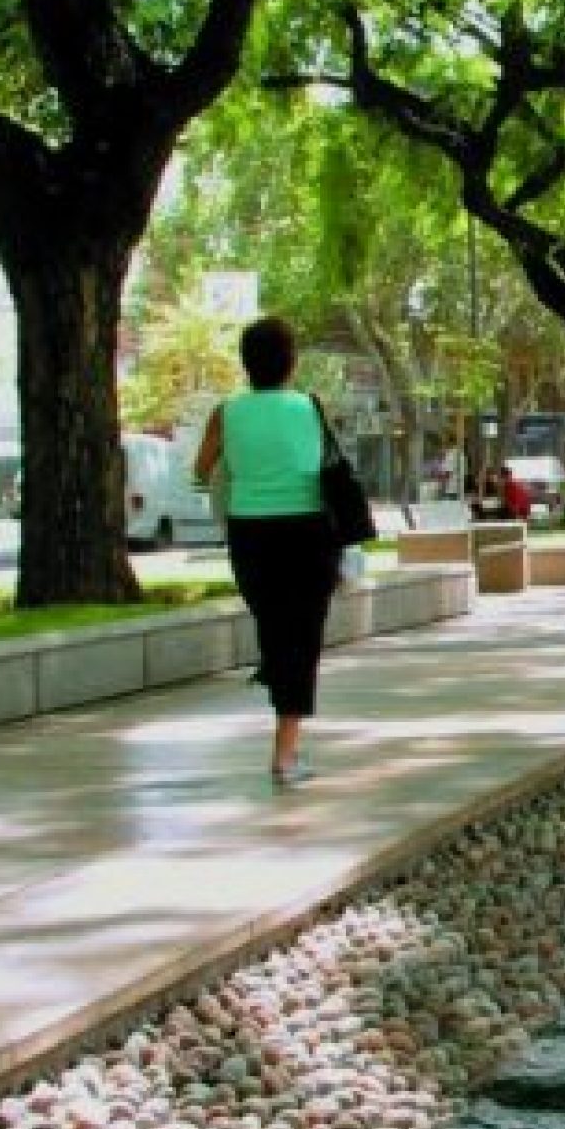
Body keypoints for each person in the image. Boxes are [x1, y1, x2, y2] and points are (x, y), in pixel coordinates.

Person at [193, 315, 343, 786]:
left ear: (245, 364)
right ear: (291, 362)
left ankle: (277, 684)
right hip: (308, 534)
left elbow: (201, 470)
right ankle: (285, 753)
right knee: (302, 638)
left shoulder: (225, 412)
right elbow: (328, 466)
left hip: (250, 535)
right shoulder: (310, 407)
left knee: (277, 629)